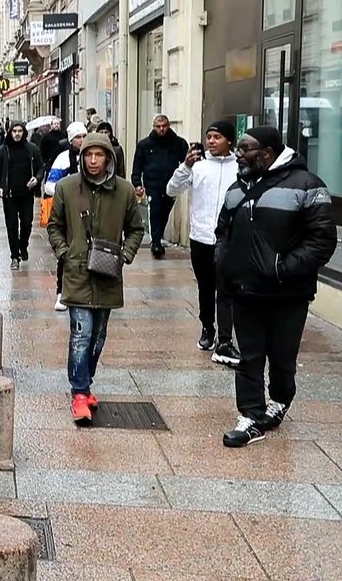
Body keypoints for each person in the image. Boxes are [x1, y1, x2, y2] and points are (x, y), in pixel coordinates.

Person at [216, 126, 337, 447]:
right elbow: (222, 232)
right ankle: (251, 417)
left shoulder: (308, 186)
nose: (238, 154)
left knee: (282, 358)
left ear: (267, 154)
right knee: (250, 357)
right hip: (245, 290)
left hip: (288, 293)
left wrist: (281, 269)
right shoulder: (237, 188)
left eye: (245, 149)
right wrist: (225, 264)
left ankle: (280, 400)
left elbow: (322, 241)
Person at [46, 132, 144, 426]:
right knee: (81, 335)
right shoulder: (66, 188)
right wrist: (65, 252)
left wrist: (125, 254)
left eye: (99, 155)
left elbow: (137, 229)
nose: (92, 161)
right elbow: (55, 226)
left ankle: (85, 382)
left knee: (99, 337)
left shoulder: (124, 191)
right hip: (77, 273)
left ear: (109, 158)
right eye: (88, 155)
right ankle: (79, 392)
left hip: (107, 273)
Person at [165, 121, 239, 363]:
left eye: (217, 137)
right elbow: (171, 190)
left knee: (226, 288)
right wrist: (185, 167)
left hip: (229, 239)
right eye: (209, 136)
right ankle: (208, 328)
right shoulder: (198, 166)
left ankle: (226, 339)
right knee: (205, 287)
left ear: (229, 140)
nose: (211, 141)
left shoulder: (240, 166)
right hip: (201, 237)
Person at [131, 114, 190, 259]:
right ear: (154, 127)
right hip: (152, 184)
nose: (161, 129)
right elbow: (137, 166)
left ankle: (158, 237)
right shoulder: (144, 145)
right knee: (155, 211)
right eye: (158, 126)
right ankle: (156, 242)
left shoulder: (179, 143)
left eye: (164, 126)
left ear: (169, 126)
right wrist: (137, 183)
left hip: (171, 185)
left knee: (165, 213)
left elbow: (186, 164)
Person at [44, 123, 87, 311]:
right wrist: (69, 192)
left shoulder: (94, 156)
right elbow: (50, 185)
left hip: (92, 212)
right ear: (71, 139)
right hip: (69, 213)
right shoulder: (63, 158)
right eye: (78, 137)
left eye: (85, 135)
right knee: (66, 253)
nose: (82, 140)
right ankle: (61, 293)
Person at [0, 122, 44, 269]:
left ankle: (23, 245)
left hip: (27, 194)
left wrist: (37, 179)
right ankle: (14, 256)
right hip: (10, 195)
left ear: (24, 132)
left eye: (20, 131)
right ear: (10, 132)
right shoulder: (3, 150)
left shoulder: (31, 149)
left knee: (27, 224)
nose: (17, 134)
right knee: (12, 227)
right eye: (14, 131)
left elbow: (41, 167)